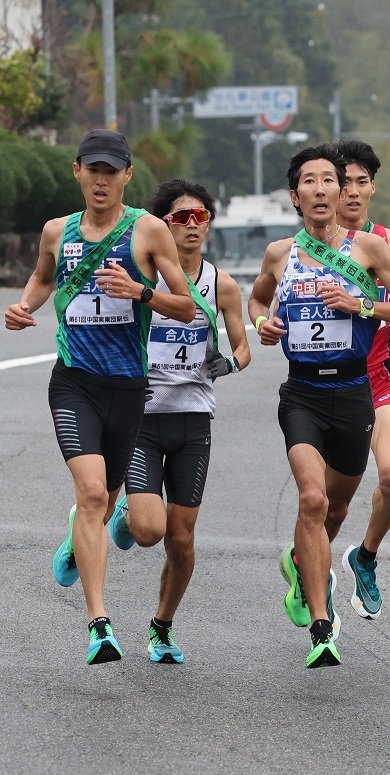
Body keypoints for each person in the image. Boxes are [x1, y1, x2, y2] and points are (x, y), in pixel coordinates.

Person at [4, 129, 195, 665]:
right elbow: (43, 279)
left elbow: (187, 307)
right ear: (77, 172)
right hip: (74, 381)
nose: (102, 179)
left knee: (107, 498)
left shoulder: (150, 231)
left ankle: (77, 541)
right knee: (91, 494)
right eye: (93, 169)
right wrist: (25, 307)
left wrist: (140, 292)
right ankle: (99, 623)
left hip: (128, 388)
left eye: (112, 170)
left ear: (128, 176)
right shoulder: (56, 231)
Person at [247, 143, 390, 668]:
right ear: (295, 196)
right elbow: (257, 298)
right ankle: (322, 627)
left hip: (356, 392)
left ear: (345, 190)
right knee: (312, 500)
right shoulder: (280, 254)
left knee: (340, 504)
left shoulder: (370, 249)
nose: (324, 189)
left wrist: (362, 304)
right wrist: (262, 323)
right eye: (311, 182)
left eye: (332, 181)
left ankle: (314, 561)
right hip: (301, 393)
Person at [106, 178, 251, 664]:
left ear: (208, 224)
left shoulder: (221, 284)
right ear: (163, 223)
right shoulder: (138, 275)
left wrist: (227, 363)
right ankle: (127, 514)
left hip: (194, 418)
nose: (191, 226)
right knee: (150, 531)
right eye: (180, 217)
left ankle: (162, 627)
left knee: (182, 538)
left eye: (200, 217)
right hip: (144, 415)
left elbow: (243, 348)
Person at [332, 139, 390, 621]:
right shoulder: (311, 246)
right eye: (343, 182)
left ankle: (364, 557)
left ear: (372, 188)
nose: (351, 192)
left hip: (381, 375)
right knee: (328, 503)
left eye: (360, 183)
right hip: (330, 384)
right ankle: (308, 562)